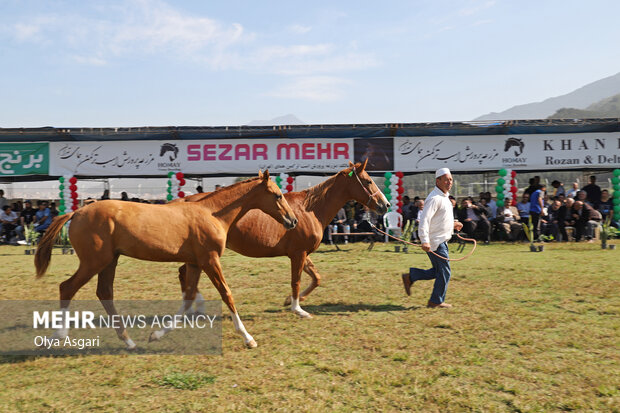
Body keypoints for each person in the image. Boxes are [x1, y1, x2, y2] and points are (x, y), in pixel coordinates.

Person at [401, 168, 463, 308]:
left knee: (437, 271)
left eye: (451, 179)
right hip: (435, 241)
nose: (449, 182)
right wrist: (424, 241)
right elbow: (425, 221)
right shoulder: (434, 198)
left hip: (441, 240)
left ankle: (411, 276)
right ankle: (436, 301)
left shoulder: (445, 197)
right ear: (438, 181)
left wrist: (453, 224)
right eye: (446, 179)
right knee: (445, 272)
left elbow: (439, 219)